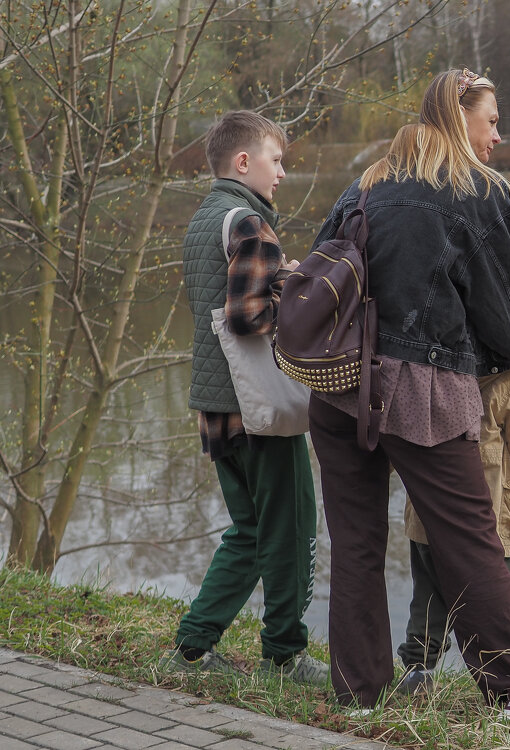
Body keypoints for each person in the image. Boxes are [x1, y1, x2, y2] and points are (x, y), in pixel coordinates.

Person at [306, 68, 510, 721]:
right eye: (491, 120)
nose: (497, 134)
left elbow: (324, 272)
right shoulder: (477, 191)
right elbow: (509, 326)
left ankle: (358, 695)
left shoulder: (365, 184)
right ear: (462, 120)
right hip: (423, 392)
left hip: (339, 387)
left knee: (358, 541)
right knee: (470, 540)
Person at [163, 111, 328, 687]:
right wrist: (297, 290)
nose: (281, 172)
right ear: (243, 162)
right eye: (275, 160)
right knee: (291, 528)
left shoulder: (203, 219)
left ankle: (192, 644)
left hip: (214, 401)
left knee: (249, 529)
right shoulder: (250, 224)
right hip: (257, 405)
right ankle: (284, 654)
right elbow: (247, 316)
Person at [398, 258, 510, 692]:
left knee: (428, 595)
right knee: (498, 598)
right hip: (488, 515)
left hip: (428, 506)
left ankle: (418, 671)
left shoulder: (433, 354)